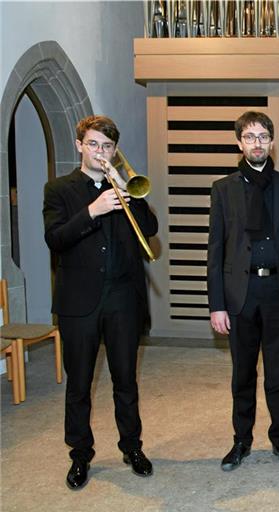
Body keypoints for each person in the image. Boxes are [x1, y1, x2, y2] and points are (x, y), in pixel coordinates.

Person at [43, 115, 158, 490]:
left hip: (123, 297)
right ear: (79, 145)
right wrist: (93, 210)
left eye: (107, 146)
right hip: (80, 302)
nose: (100, 152)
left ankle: (132, 447)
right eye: (93, 144)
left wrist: (128, 192)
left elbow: (150, 229)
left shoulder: (123, 185)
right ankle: (80, 454)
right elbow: (55, 239)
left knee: (126, 379)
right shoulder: (58, 189)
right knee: (79, 383)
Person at [207, 111, 279, 472]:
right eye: (249, 136)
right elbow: (216, 251)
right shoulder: (223, 189)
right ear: (239, 143)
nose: (257, 143)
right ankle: (241, 441)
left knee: (278, 377)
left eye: (263, 136)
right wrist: (216, 305)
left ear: (272, 142)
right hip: (240, 294)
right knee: (243, 375)